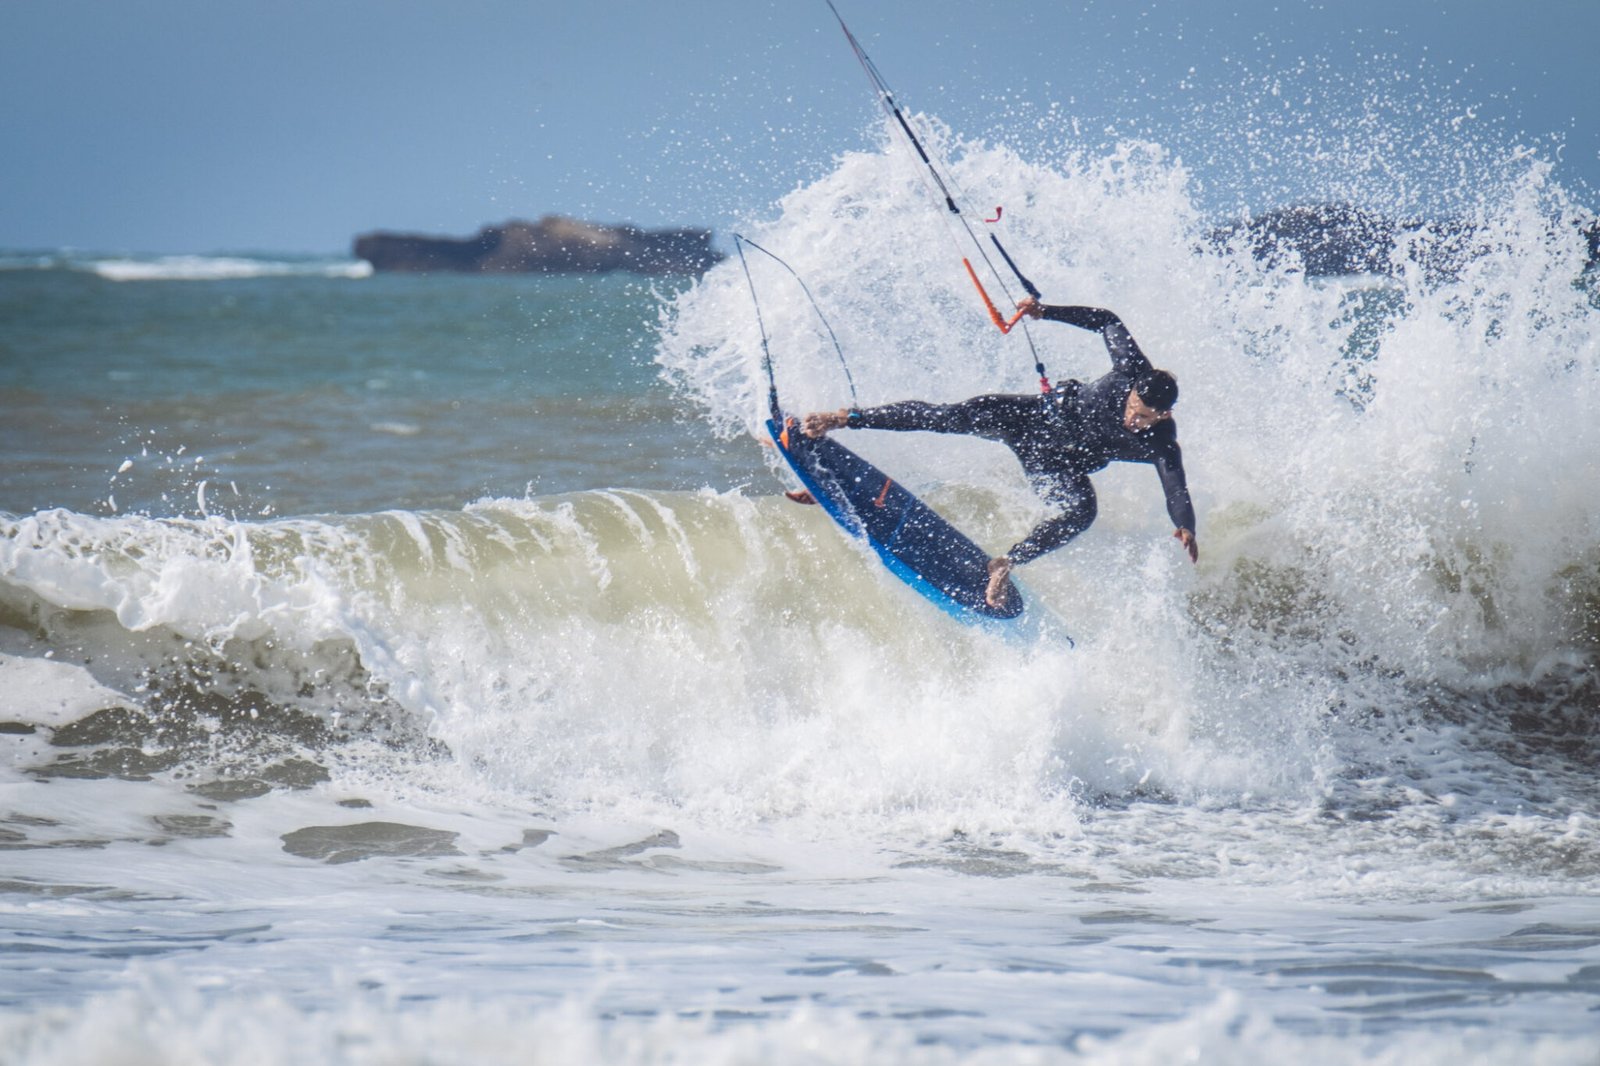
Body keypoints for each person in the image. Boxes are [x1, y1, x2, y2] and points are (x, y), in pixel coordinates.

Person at [801, 298, 1196, 608]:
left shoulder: (1159, 439)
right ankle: (843, 419)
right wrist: (1046, 312)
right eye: (1132, 408)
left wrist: (1184, 524)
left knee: (1081, 513)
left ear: (1164, 414)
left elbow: (1174, 482)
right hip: (1028, 419)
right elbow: (1107, 320)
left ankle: (1005, 563)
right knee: (950, 416)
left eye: (1143, 417)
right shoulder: (1132, 368)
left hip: (1053, 463)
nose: (1133, 420)